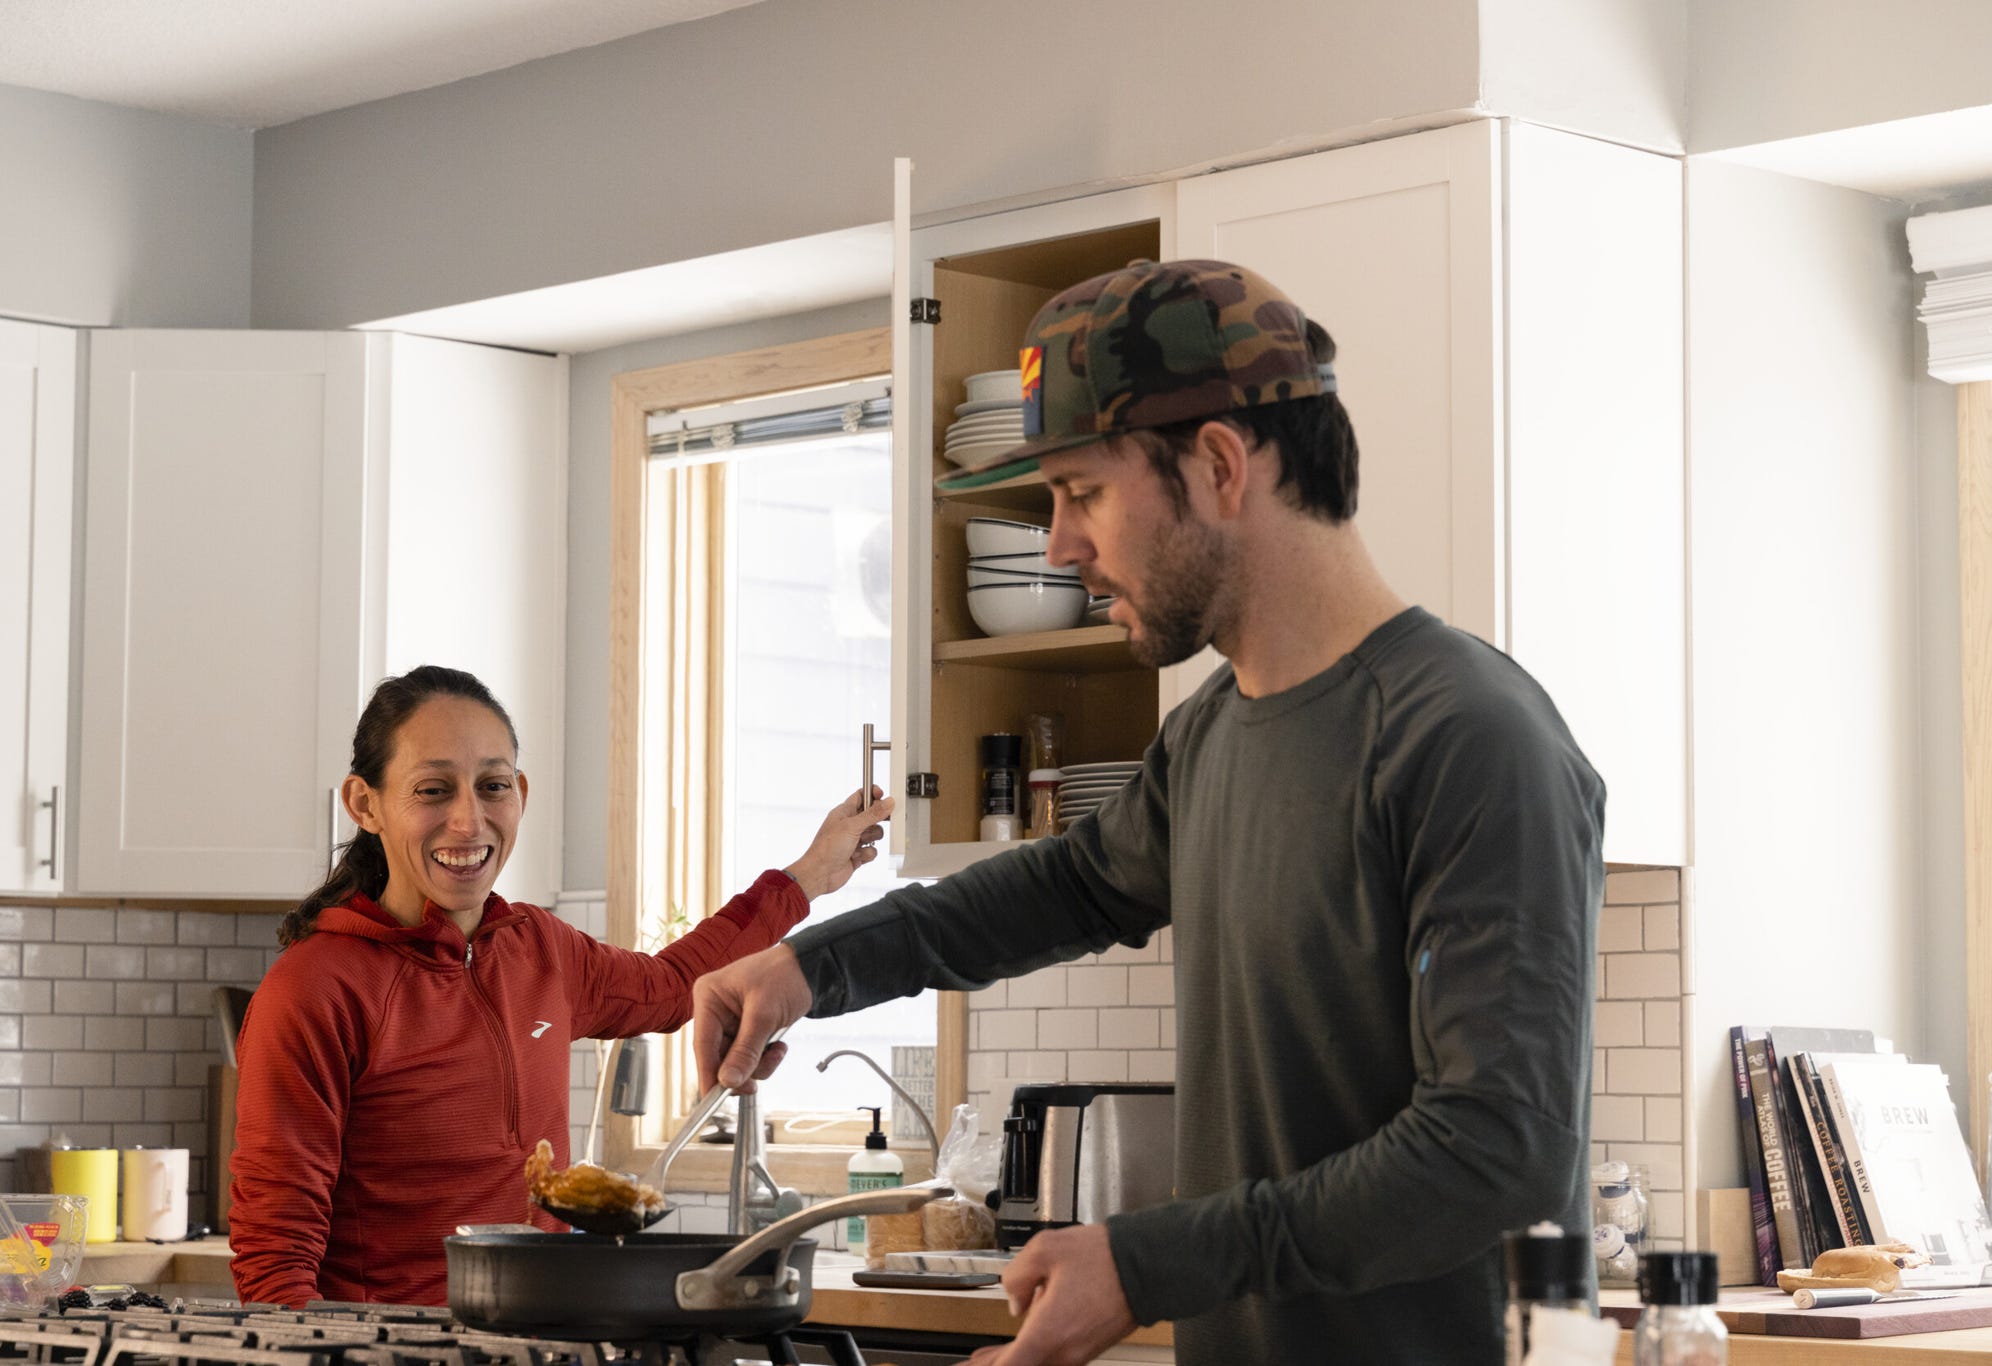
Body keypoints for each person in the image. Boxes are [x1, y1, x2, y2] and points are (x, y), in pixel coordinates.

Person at [691, 261, 1606, 1365]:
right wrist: (807, 967)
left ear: (1220, 465)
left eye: (1081, 492)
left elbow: (1494, 1149)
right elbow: (1067, 885)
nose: (1062, 546)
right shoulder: (1214, 731)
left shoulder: (1468, 739)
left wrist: (1147, 1262)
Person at [229, 664, 892, 1308]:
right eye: (433, 790)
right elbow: (274, 1260)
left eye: (492, 787)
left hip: (542, 1340)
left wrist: (807, 876)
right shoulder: (313, 991)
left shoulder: (540, 949)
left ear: (521, 793)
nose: (468, 821)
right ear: (364, 803)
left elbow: (670, 987)